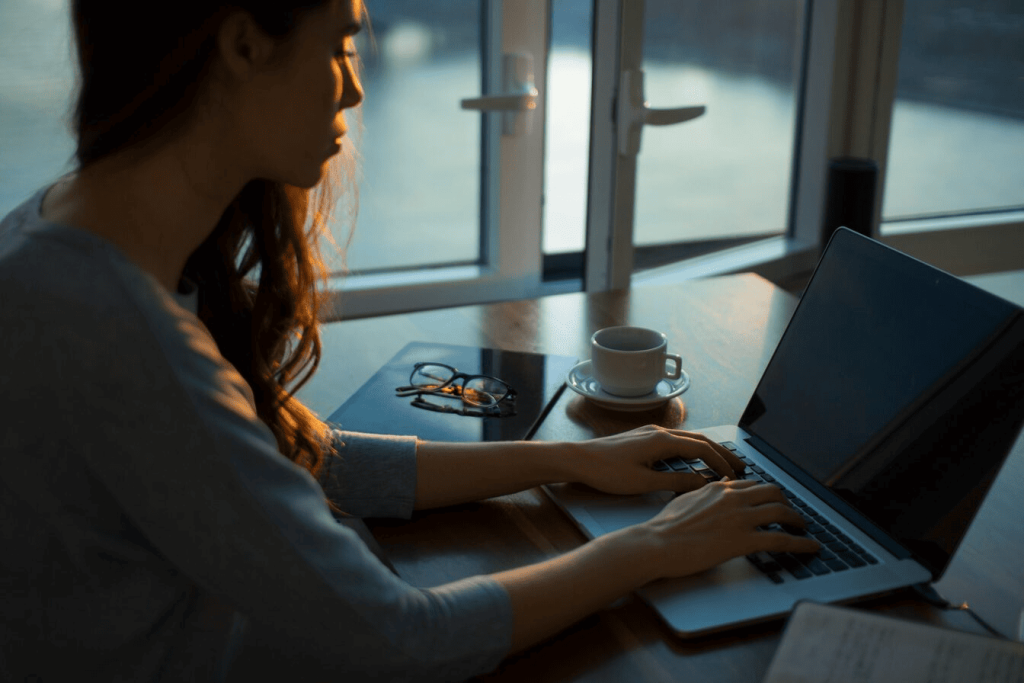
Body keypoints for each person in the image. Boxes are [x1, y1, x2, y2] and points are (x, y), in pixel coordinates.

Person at [0, 0, 819, 680]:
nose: (354, 88)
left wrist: (562, 460)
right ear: (244, 42)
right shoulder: (123, 337)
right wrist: (650, 546)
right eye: (341, 42)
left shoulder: (58, 233)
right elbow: (402, 637)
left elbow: (274, 458)